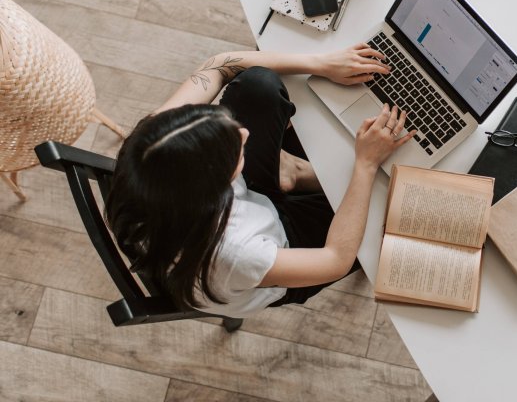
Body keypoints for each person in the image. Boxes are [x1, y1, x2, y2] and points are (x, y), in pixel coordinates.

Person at [105, 43, 416, 318]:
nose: (244, 133)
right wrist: (365, 164)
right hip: (280, 252)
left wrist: (321, 63)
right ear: (215, 186)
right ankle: (294, 174)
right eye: (235, 150)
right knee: (391, 213)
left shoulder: (152, 146)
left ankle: (289, 174)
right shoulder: (237, 253)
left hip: (232, 212)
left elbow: (219, 66)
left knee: (257, 84)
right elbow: (335, 259)